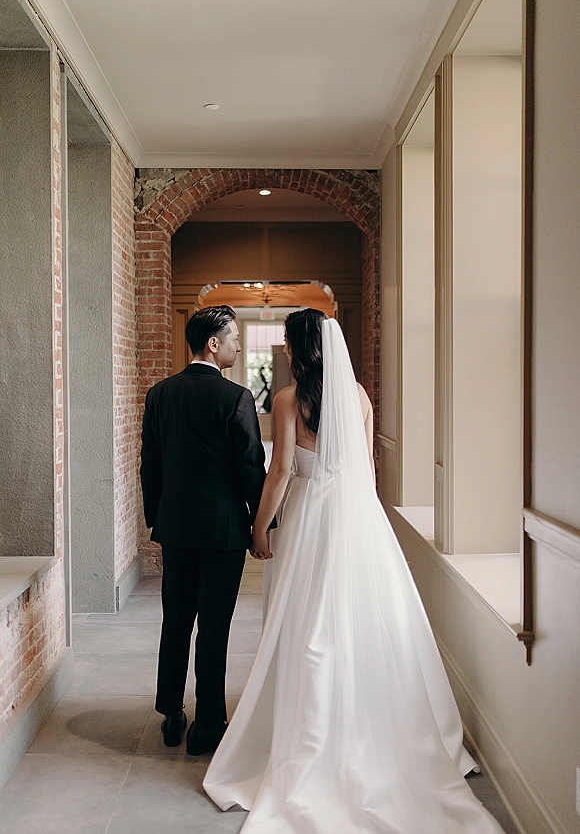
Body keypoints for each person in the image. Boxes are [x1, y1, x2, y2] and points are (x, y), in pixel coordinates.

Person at [203, 309, 503, 833]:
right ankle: (366, 724)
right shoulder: (360, 398)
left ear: (300, 349)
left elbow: (279, 474)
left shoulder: (289, 401)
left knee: (306, 622)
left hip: (310, 518)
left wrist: (259, 530)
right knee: (362, 620)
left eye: (290, 344)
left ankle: (308, 730)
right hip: (357, 515)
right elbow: (366, 471)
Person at [140, 305, 267, 755]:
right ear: (212, 343)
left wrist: (158, 518)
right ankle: (208, 722)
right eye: (232, 337)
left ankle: (171, 713)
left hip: (176, 528)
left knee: (176, 620)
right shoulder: (236, 399)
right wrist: (261, 521)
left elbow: (149, 464)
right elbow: (251, 467)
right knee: (214, 626)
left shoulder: (159, 394)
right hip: (223, 532)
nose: (236, 343)